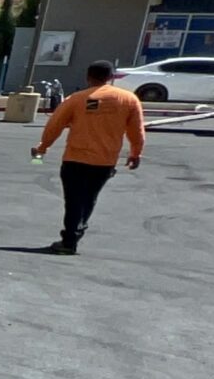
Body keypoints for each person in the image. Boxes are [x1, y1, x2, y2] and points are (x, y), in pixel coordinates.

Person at [30, 61, 145, 255]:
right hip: (104, 161)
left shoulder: (78, 99)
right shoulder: (129, 100)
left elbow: (55, 124)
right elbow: (137, 130)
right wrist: (135, 153)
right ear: (111, 77)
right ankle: (76, 231)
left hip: (75, 158)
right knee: (89, 198)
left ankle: (70, 239)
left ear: (88, 77)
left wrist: (42, 147)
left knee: (73, 200)